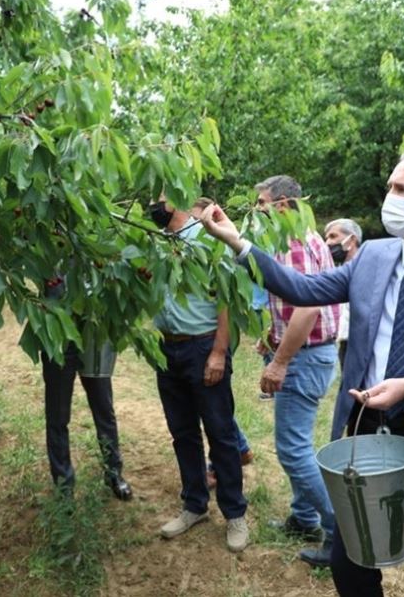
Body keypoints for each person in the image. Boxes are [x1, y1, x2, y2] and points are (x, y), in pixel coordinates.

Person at [200, 148, 404, 597]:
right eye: (391, 187)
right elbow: (300, 288)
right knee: (351, 566)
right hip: (365, 430)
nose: (391, 197)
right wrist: (238, 242)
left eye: (403, 190)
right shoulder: (374, 257)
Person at [246, 175, 341, 567]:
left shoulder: (293, 241)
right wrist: (273, 335)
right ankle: (304, 518)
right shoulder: (306, 234)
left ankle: (341, 533)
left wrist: (281, 360)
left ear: (282, 205)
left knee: (293, 449)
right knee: (299, 441)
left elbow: (307, 306)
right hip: (312, 352)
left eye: (262, 203)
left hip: (305, 356)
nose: (257, 211)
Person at [149, 194, 249, 553]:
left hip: (203, 346)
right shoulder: (154, 242)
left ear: (176, 199)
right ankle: (194, 505)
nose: (152, 206)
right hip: (168, 348)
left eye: (157, 199)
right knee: (182, 432)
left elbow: (225, 297)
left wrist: (219, 351)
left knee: (221, 433)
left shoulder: (207, 238)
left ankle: (235, 513)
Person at [41, 279, 132, 501]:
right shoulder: (45, 247)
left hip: (94, 331)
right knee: (58, 413)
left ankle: (113, 473)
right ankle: (64, 485)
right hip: (59, 332)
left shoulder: (100, 246)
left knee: (103, 407)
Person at [189, 196, 254, 488]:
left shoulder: (221, 249)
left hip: (217, 337)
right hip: (209, 339)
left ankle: (227, 461)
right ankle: (237, 451)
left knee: (216, 414)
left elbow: (226, 299)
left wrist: (219, 348)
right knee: (214, 410)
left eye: (197, 220)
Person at [324, 218, 363, 369]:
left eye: (333, 236)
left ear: (351, 239)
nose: (327, 243)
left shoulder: (369, 267)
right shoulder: (338, 271)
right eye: (326, 237)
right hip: (345, 342)